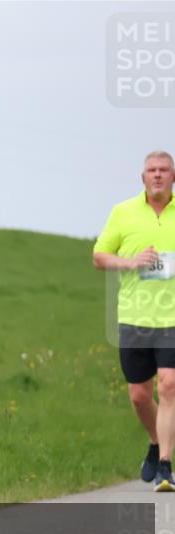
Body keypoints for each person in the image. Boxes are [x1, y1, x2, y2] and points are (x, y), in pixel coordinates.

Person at [93, 150, 175, 492]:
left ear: (173, 176)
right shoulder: (123, 213)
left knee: (169, 386)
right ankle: (155, 443)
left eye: (164, 170)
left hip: (172, 318)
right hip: (134, 317)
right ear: (142, 178)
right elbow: (99, 257)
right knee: (139, 396)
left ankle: (166, 467)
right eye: (151, 170)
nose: (157, 175)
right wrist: (131, 263)